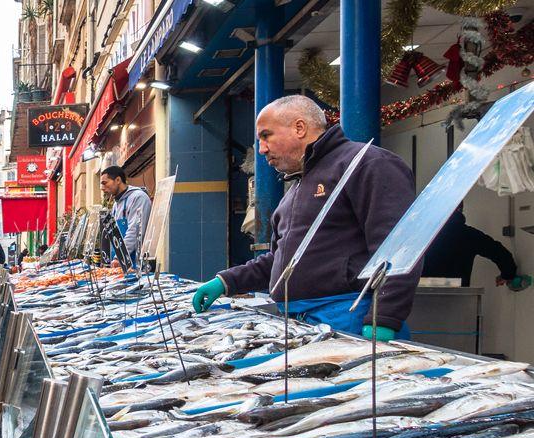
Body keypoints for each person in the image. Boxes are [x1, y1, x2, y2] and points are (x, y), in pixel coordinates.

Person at [191, 95, 420, 341]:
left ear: (299, 128)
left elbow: (399, 248)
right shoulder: (297, 188)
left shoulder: (366, 164)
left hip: (350, 320)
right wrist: (226, 282)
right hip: (303, 325)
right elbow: (283, 261)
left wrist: (385, 317)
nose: (262, 149)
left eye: (266, 136)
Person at [423, 206, 529, 290]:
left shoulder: (423, 234)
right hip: (455, 293)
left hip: (421, 291)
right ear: (460, 209)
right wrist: (508, 275)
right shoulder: (468, 234)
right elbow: (499, 253)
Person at [100, 165, 152, 266]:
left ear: (118, 180)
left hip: (136, 265)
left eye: (105, 183)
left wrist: (119, 258)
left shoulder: (138, 198)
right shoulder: (116, 204)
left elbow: (135, 231)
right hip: (121, 264)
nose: (102, 188)